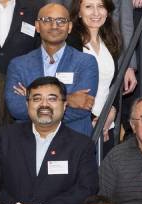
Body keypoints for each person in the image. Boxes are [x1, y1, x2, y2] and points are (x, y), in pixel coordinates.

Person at [6, 3, 101, 135]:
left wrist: (32, 98)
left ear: (69, 27)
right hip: (28, 141)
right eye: (47, 20)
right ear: (37, 26)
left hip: (73, 140)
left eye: (61, 21)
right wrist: (69, 98)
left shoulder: (86, 62)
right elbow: (15, 108)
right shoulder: (18, 65)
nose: (54, 26)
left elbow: (83, 107)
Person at [67, 0, 139, 117]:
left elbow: (113, 84)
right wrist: (93, 120)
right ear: (79, 12)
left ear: (107, 11)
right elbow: (67, 90)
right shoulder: (70, 42)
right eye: (89, 7)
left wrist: (113, 111)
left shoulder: (111, 40)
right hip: (80, 122)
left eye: (101, 6)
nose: (96, 13)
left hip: (106, 123)